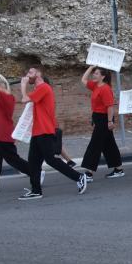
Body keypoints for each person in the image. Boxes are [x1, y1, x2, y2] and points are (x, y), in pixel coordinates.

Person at [18, 67, 88, 200]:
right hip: (37, 131)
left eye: (31, 73)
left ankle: (79, 177)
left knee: (51, 160)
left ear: (39, 74)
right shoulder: (38, 90)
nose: (28, 75)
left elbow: (24, 99)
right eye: (27, 73)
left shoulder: (44, 88)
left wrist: (23, 85)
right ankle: (36, 190)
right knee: (33, 163)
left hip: (44, 130)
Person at [0, 63, 35, 194]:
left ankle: (35, 172)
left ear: (2, 86)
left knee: (13, 160)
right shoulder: (6, 97)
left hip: (3, 135)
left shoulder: (5, 97)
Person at [79, 65, 124, 180]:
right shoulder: (95, 86)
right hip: (98, 118)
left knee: (95, 145)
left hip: (105, 119)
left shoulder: (105, 88)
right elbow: (83, 80)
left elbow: (110, 107)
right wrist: (91, 67)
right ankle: (119, 169)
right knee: (109, 145)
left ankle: (89, 173)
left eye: (97, 73)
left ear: (103, 77)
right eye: (94, 73)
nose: (94, 75)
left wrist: (109, 121)